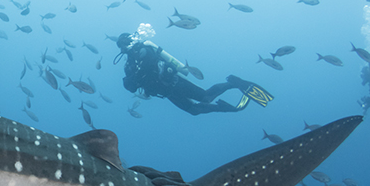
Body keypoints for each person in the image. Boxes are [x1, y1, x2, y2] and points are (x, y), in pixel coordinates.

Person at [115, 31, 272, 115]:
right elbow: (131, 86)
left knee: (206, 97)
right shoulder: (129, 65)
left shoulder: (145, 50)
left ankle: (233, 83)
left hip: (175, 83)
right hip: (167, 93)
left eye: (125, 44)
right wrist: (130, 81)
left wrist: (136, 76)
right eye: (122, 46)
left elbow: (149, 64)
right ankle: (227, 108)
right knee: (194, 111)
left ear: (131, 41)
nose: (125, 48)